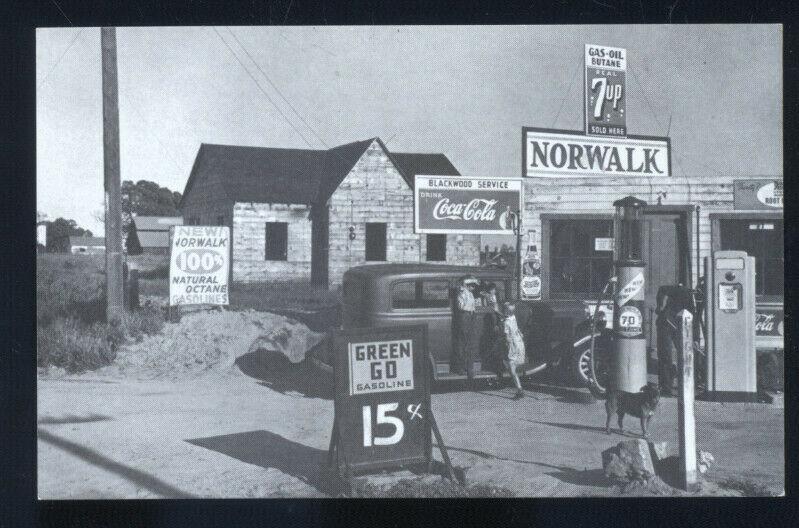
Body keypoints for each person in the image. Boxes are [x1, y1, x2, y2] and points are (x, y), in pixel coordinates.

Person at [655, 283, 697, 396]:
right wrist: (660, 306)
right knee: (666, 355)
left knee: (686, 355)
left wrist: (695, 339)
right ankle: (666, 387)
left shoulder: (694, 300)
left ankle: (687, 383)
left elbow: (696, 321)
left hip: (680, 326)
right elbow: (662, 288)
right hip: (666, 323)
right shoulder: (683, 291)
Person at [452, 275, 479, 380]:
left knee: (469, 343)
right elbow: (461, 306)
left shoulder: (470, 294)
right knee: (463, 342)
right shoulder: (462, 293)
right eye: (472, 285)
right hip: (464, 316)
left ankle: (468, 367)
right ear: (467, 285)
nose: (473, 287)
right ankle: (462, 367)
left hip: (470, 316)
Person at [501, 302, 526, 400]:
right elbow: (517, 328)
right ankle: (518, 388)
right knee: (513, 367)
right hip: (519, 343)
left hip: (513, 345)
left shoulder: (506, 322)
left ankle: (519, 390)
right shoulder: (513, 317)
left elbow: (507, 337)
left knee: (512, 369)